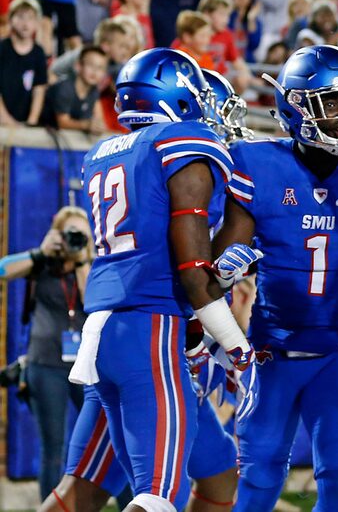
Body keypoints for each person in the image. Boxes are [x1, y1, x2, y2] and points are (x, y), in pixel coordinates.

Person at [39, 70, 246, 512]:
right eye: (207, 105)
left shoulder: (108, 152)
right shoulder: (182, 148)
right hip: (152, 336)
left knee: (217, 472)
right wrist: (236, 344)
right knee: (156, 496)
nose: (217, 124)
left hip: (112, 330)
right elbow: (191, 270)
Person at [213, 44, 338, 512]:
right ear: (294, 106)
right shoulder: (257, 163)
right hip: (272, 347)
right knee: (259, 472)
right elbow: (220, 263)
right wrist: (229, 265)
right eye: (329, 103)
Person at [0, 207, 93, 502]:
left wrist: (81, 261)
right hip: (45, 364)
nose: (74, 241)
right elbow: (2, 269)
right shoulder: (41, 263)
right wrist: (41, 253)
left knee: (101, 438)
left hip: (85, 367)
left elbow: (92, 302)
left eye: (81, 234)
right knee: (53, 448)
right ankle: (50, 507)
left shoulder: (92, 266)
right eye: (69, 235)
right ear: (57, 235)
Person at [0, 0, 48, 126]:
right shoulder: (2, 48)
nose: (25, 23)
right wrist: (7, 121)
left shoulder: (38, 53)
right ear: (11, 20)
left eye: (31, 18)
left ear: (37, 23)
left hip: (24, 120)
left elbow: (39, 89)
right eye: (20, 17)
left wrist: (32, 121)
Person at [40, 44, 107, 132]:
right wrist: (86, 125)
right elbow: (63, 123)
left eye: (100, 68)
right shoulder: (65, 88)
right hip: (43, 133)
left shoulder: (94, 91)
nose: (95, 71)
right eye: (91, 65)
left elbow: (100, 120)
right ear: (78, 66)